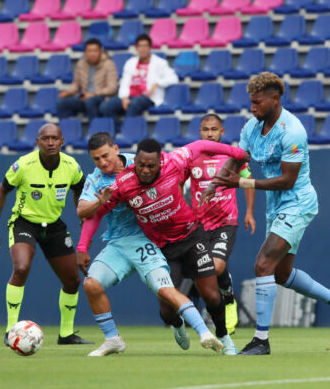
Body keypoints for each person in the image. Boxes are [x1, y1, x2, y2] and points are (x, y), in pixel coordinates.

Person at [78, 138, 250, 355]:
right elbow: (96, 213)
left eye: (151, 165)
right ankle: (177, 325)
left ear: (161, 162)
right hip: (163, 247)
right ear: (135, 161)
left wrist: (237, 152)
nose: (145, 170)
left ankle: (225, 337)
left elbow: (201, 145)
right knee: (167, 311)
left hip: (191, 237)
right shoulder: (123, 183)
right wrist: (83, 243)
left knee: (212, 296)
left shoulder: (175, 162)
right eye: (141, 165)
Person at [202, 72, 330, 355]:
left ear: (275, 99)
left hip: (297, 203)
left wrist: (242, 183)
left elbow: (287, 180)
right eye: (251, 102)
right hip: (277, 206)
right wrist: (215, 184)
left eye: (257, 102)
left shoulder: (292, 130)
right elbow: (237, 160)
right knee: (282, 275)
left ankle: (261, 340)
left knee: (262, 265)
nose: (252, 107)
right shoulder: (251, 127)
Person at [0, 123, 93, 346]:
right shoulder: (24, 165)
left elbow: (79, 189)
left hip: (54, 226)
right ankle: (11, 330)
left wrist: (81, 213)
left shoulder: (71, 165)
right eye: (46, 138)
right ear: (38, 142)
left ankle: (66, 334)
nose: (51, 142)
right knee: (22, 268)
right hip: (24, 223)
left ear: (62, 141)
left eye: (55, 138)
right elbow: (1, 190)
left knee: (73, 280)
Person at [180, 114, 256, 335]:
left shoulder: (231, 157)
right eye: (205, 129)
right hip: (199, 224)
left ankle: (229, 301)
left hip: (225, 221)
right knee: (202, 273)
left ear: (222, 131)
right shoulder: (191, 157)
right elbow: (177, 183)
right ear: (200, 132)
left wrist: (249, 212)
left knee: (218, 266)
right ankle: (214, 310)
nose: (210, 133)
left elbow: (248, 182)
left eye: (214, 129)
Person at [100, 34, 179, 125]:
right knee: (105, 107)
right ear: (136, 48)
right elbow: (124, 82)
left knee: (134, 104)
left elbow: (174, 78)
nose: (143, 49)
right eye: (140, 46)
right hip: (129, 96)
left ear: (150, 48)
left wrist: (157, 83)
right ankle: (118, 131)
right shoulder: (130, 63)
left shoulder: (160, 63)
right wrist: (124, 98)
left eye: (145, 46)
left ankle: (126, 131)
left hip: (147, 97)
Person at [56, 38, 118, 121]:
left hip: (102, 97)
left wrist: (94, 94)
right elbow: (76, 84)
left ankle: (95, 130)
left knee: (89, 101)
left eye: (95, 51)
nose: (92, 54)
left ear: (100, 51)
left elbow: (112, 88)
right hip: (84, 97)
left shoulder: (109, 64)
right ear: (85, 52)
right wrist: (68, 92)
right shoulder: (81, 63)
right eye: (89, 51)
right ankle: (64, 130)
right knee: (61, 103)